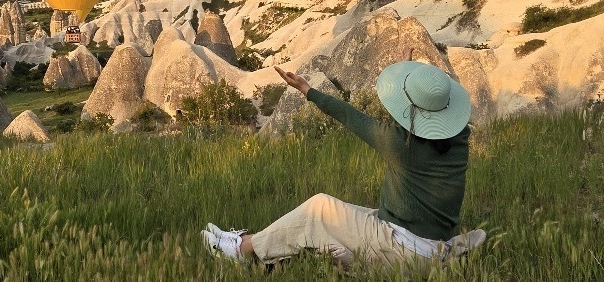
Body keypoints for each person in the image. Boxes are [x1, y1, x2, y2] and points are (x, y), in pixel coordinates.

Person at [202, 58, 476, 268]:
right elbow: (421, 122)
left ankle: (241, 251)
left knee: (319, 208)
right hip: (432, 242)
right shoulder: (460, 139)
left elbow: (349, 115)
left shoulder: (399, 144)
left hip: (405, 248)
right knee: (361, 214)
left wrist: (307, 89)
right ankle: (254, 241)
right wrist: (413, 78)